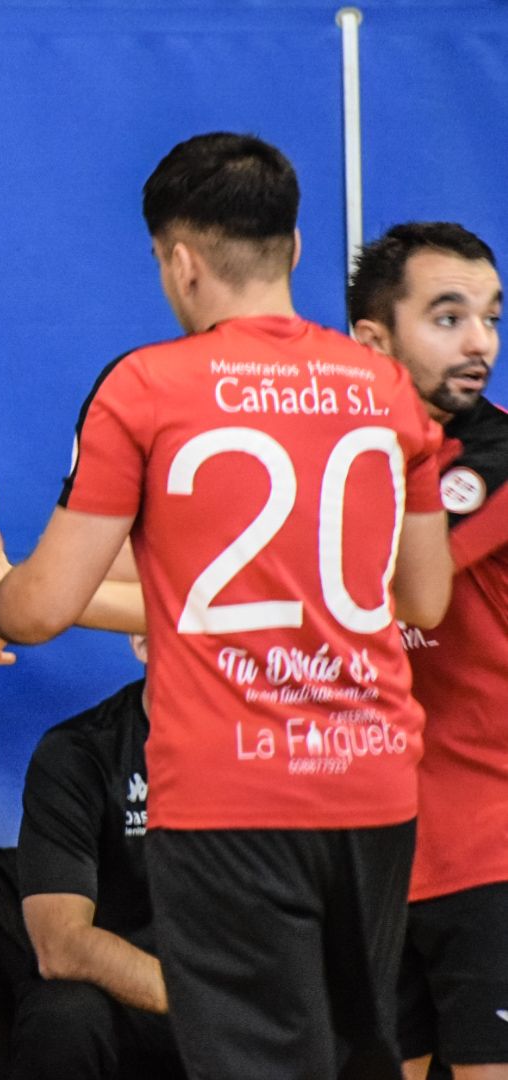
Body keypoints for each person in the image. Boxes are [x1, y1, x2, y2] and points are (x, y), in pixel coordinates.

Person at [0, 133, 453, 1078]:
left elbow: (44, 604)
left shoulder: (146, 389)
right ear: (295, 248)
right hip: (374, 783)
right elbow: (424, 593)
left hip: (231, 797)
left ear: (179, 260)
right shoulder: (384, 389)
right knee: (354, 1055)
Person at [347, 222, 508, 1080]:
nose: (480, 340)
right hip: (377, 859)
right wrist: (3, 590)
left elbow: (374, 592)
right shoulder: (349, 459)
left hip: (492, 855)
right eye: (449, 317)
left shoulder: (493, 454)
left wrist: (42, 605)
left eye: (491, 316)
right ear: (373, 340)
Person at [13, 634, 182, 1080]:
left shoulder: (274, 752)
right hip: (128, 1001)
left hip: (246, 1000)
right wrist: (195, 999)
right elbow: (59, 943)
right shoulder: (79, 753)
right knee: (62, 1016)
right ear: (144, 641)